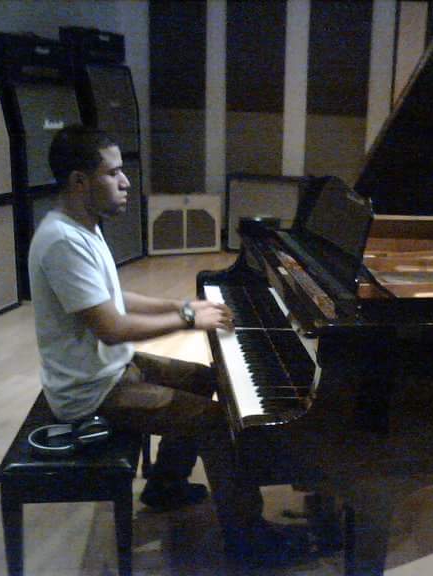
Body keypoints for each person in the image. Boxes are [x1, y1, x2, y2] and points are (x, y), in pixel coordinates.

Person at [28, 124, 298, 563]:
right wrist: (187, 319)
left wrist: (178, 304)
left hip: (111, 369)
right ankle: (249, 542)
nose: (125, 181)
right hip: (91, 391)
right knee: (215, 422)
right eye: (112, 172)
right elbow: (111, 327)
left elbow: (114, 297)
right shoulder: (62, 242)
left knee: (207, 379)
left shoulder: (81, 227)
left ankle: (165, 487)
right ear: (79, 181)